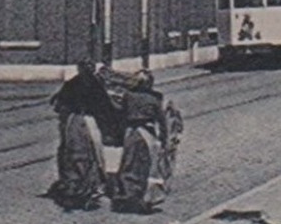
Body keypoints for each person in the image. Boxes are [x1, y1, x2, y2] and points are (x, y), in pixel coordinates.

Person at [47, 60, 119, 211]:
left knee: (71, 152)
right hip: (88, 121)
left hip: (73, 122)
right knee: (92, 152)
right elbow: (105, 106)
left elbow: (58, 103)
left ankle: (74, 185)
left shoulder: (72, 84)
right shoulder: (95, 85)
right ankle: (89, 187)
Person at [111, 70, 181, 214]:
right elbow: (161, 121)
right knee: (148, 166)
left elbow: (121, 115)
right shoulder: (154, 99)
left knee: (129, 164)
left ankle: (127, 195)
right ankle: (146, 198)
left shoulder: (128, 96)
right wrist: (164, 139)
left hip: (130, 133)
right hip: (146, 134)